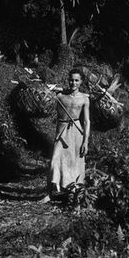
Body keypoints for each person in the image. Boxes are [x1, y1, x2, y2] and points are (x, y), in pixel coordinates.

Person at [41, 68, 90, 203]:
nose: (73, 83)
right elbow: (45, 99)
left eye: (76, 80)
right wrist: (50, 91)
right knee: (54, 161)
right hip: (61, 131)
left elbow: (86, 121)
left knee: (75, 163)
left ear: (81, 82)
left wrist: (85, 141)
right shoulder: (60, 96)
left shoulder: (85, 99)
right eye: (71, 80)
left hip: (76, 132)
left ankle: (75, 195)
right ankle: (49, 194)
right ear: (68, 80)